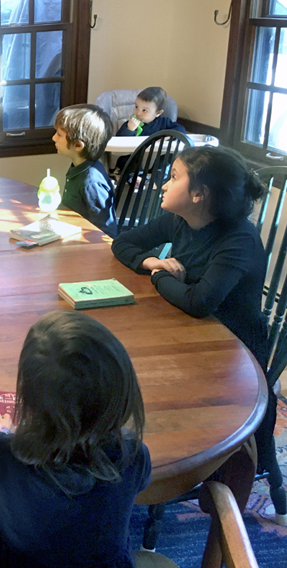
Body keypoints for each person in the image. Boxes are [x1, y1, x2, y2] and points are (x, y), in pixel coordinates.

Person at [111, 145, 286, 520]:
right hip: (192, 334)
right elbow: (122, 242)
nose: (163, 184)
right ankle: (132, 454)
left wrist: (158, 277)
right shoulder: (180, 220)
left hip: (233, 357)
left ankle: (163, 465)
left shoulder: (238, 239)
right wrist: (151, 260)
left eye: (173, 177)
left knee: (134, 363)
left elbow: (199, 302)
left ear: (198, 195)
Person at [0, 310, 151, 568]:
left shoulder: (9, 451)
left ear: (29, 396)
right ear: (122, 390)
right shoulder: (134, 452)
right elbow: (140, 485)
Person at [52, 104, 117, 237]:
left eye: (59, 134)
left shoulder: (91, 182)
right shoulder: (78, 167)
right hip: (70, 231)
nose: (54, 138)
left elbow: (106, 231)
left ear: (78, 145)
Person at [115, 86, 186, 137]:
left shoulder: (164, 123)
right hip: (135, 153)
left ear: (158, 113)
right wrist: (129, 130)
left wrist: (169, 136)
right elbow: (118, 141)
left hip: (156, 153)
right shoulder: (130, 124)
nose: (138, 113)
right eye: (136, 107)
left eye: (144, 110)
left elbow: (181, 129)